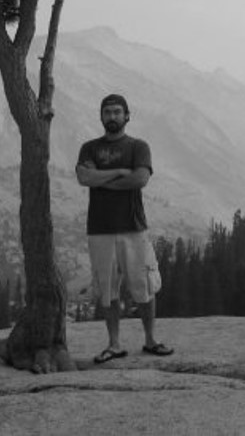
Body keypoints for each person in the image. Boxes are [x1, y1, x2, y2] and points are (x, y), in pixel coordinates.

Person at [76, 93, 174, 363]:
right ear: (101, 117)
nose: (112, 116)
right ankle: (114, 344)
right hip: (100, 229)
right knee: (107, 290)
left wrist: (102, 179)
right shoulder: (89, 148)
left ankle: (151, 340)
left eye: (117, 112)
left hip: (133, 227)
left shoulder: (138, 147)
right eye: (107, 112)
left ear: (127, 116)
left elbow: (140, 179)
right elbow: (84, 176)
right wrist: (120, 172)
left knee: (144, 284)